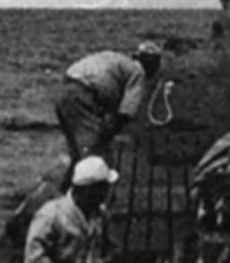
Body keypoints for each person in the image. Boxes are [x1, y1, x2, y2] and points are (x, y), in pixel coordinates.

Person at [55, 41, 162, 189]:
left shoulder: (117, 59)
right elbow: (126, 112)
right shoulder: (138, 74)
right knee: (94, 156)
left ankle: (65, 189)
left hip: (65, 92)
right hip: (83, 96)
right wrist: (107, 135)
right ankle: (86, 200)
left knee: (77, 151)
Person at [24, 155, 119, 263]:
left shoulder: (101, 214)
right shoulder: (50, 216)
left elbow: (110, 250)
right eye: (102, 188)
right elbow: (34, 259)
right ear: (87, 190)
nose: (105, 194)